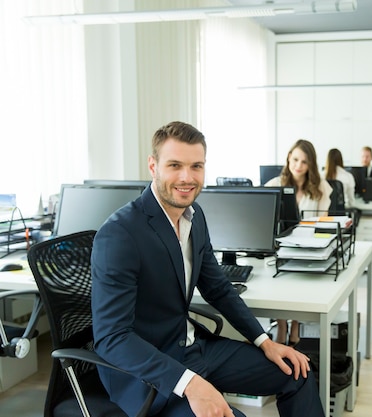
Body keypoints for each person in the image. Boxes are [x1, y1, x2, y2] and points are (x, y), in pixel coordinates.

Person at [91, 121, 324, 417]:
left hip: (194, 348)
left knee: (297, 371)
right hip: (148, 372)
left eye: (196, 166)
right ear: (153, 166)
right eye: (174, 165)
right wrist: (189, 383)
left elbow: (218, 288)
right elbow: (113, 338)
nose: (187, 177)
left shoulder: (194, 216)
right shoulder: (121, 233)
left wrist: (265, 342)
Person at [265, 139, 332, 345]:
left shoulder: (321, 187)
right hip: (280, 247)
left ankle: (295, 323)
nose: (298, 166)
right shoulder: (275, 184)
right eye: (295, 159)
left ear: (311, 164)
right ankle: (282, 323)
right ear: (288, 158)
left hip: (309, 248)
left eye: (304, 162)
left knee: (299, 284)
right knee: (279, 283)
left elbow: (323, 223)